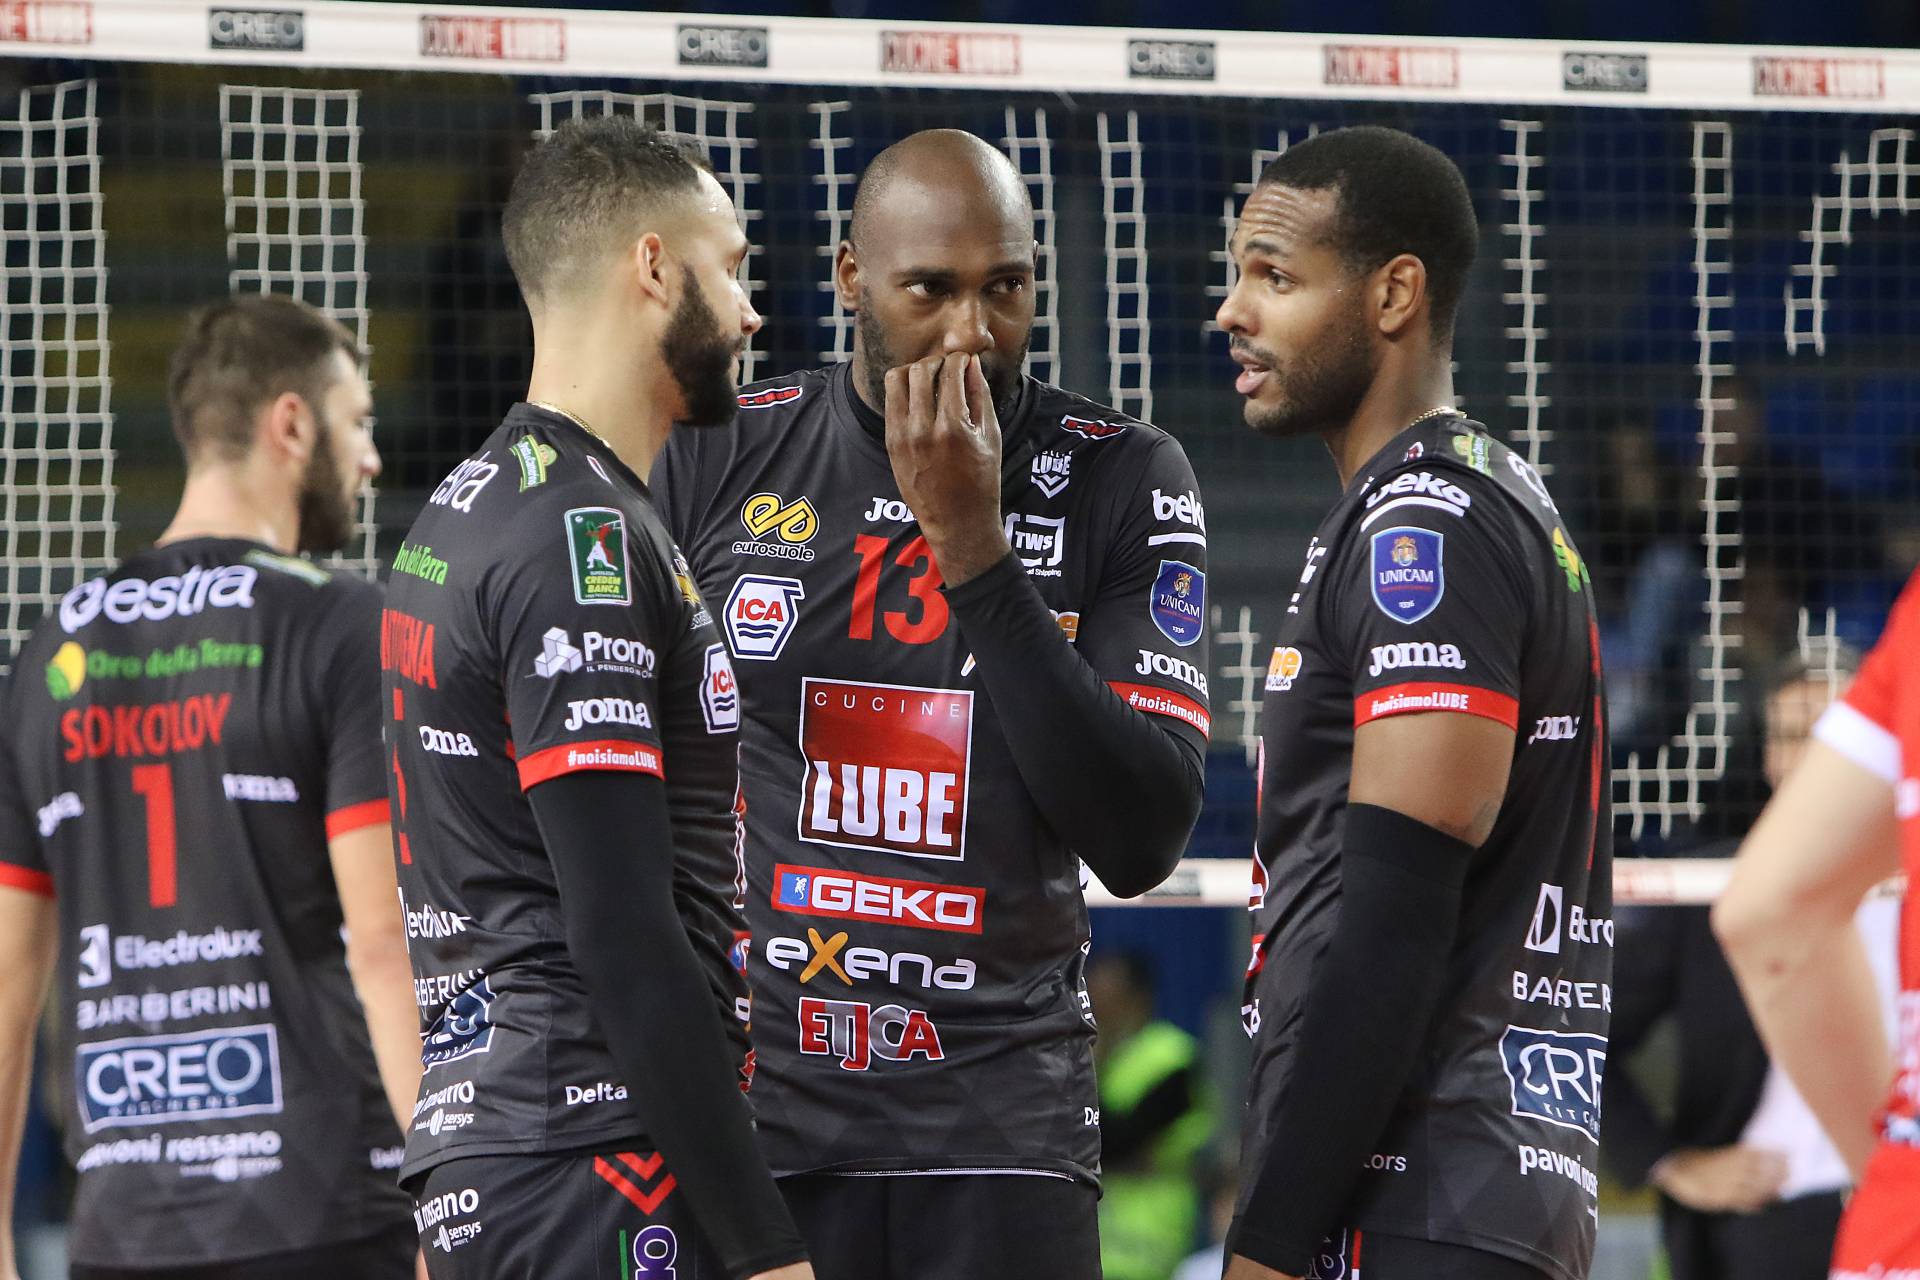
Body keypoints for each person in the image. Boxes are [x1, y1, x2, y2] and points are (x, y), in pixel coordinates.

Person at [653, 127, 1210, 1279]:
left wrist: (973, 548)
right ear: (852, 279)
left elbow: (1143, 837)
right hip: (765, 1123)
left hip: (1003, 1129)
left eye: (1005, 288)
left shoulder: (1124, 474)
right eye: (931, 290)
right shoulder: (714, 456)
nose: (972, 330)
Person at [382, 116, 810, 1280]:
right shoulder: (584, 538)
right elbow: (622, 930)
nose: (752, 312)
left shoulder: (465, 506)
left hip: (497, 1151)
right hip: (594, 1158)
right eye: (732, 268)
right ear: (654, 267)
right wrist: (768, 1250)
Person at [1217, 126, 1611, 1280]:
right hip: (1460, 1189)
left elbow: (1395, 920)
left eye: (1276, 276)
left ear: (1394, 294)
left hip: (1423, 1190)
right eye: (1238, 275)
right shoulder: (1464, 494)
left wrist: (1268, 1242)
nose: (1234, 311)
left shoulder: (1426, 524)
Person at [0, 294, 419, 1279]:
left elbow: (10, 979)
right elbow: (384, 944)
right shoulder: (341, 624)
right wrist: (449, 1202)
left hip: (122, 1230)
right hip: (324, 1212)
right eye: (357, 422)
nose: (371, 459)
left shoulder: (50, 650)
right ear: (291, 423)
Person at [1606, 649, 1897, 1280]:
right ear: (1767, 759)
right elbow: (1581, 1034)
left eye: (1835, 734)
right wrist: (1671, 1165)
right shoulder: (1713, 893)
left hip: (1903, 1214)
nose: (1814, 757)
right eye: (1791, 736)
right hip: (1768, 1223)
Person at [1716, 576, 1920, 1280]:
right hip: (1788, 1207)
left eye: (1822, 734)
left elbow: (1766, 916)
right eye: (1790, 737)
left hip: (1891, 1219)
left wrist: (1893, 1165)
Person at [1088, 951, 1214, 1280]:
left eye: (1108, 999)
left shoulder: (1172, 1056)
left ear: (1138, 999)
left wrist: (1088, 1066)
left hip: (1147, 1241)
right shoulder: (1095, 1056)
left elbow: (1117, 1141)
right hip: (1095, 1238)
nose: (1098, 1011)